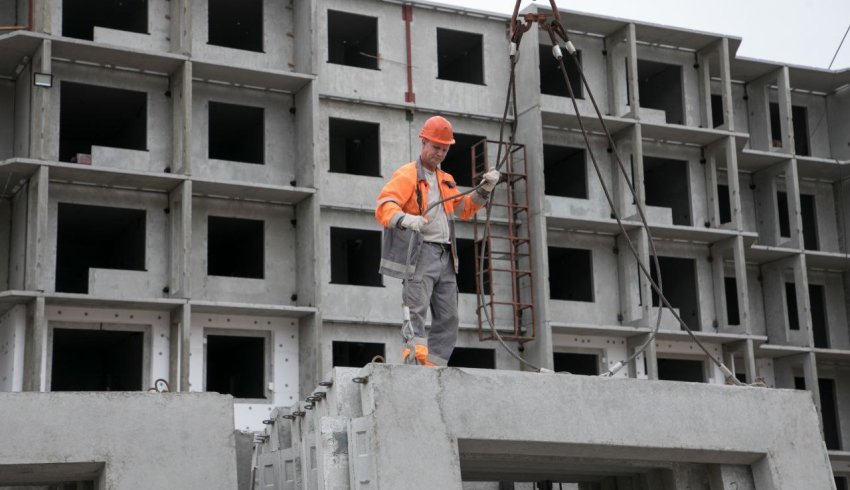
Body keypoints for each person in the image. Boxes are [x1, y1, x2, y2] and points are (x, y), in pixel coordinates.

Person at [375, 116, 500, 366]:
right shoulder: (407, 174)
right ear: (424, 142)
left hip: (446, 256)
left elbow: (464, 208)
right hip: (421, 253)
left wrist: (485, 189)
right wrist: (405, 220)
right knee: (416, 310)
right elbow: (384, 205)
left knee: (449, 317)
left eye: (444, 149)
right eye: (436, 148)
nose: (440, 153)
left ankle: (434, 368)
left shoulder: (446, 179)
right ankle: (415, 364)